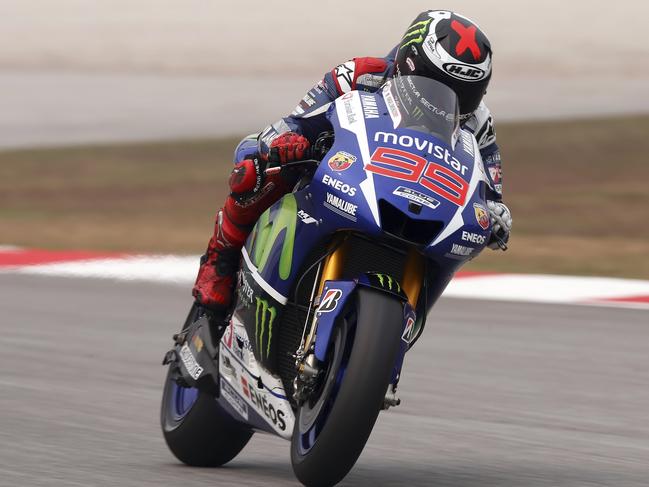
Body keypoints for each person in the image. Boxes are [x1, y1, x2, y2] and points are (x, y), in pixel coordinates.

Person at [193, 9, 513, 313]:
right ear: (410, 62)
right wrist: (290, 142)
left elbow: (489, 188)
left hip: (416, 201)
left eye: (464, 92)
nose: (448, 98)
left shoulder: (479, 123)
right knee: (253, 165)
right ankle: (218, 261)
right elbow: (295, 122)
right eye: (440, 83)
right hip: (343, 177)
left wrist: (496, 213)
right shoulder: (360, 74)